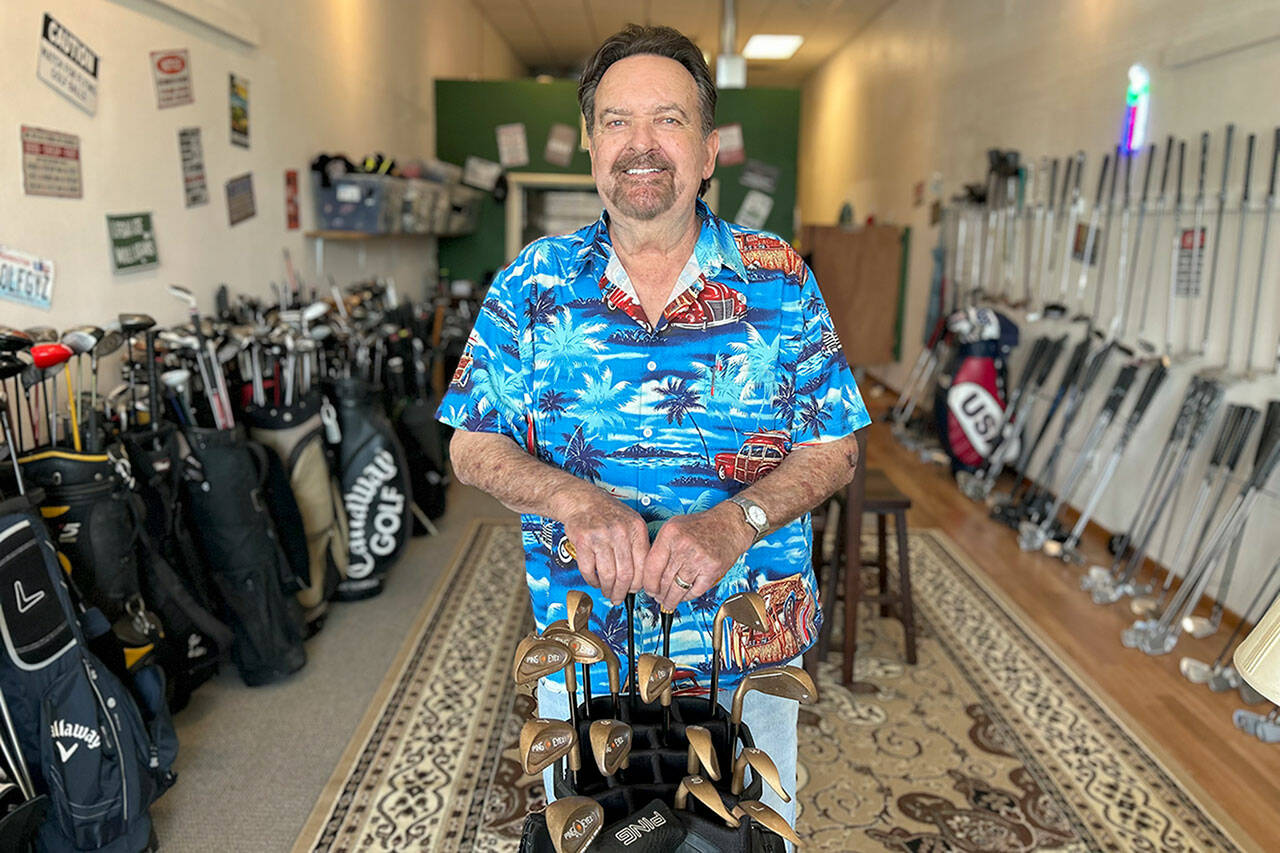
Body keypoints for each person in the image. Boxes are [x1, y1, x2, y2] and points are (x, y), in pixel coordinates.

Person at [437, 24, 869, 837]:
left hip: (747, 648)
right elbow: (471, 443)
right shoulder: (531, 283)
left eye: (668, 120)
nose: (641, 145)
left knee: (749, 832)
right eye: (616, 121)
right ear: (592, 146)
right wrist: (574, 500)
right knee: (598, 831)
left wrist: (734, 519)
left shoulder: (780, 279)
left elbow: (835, 446)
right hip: (587, 646)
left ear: (708, 151)